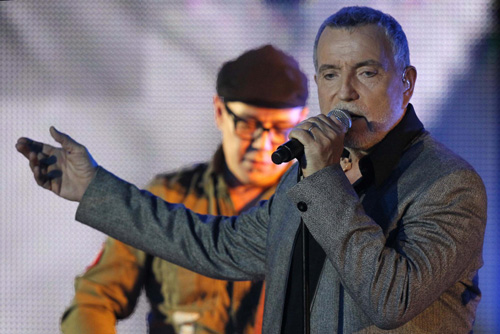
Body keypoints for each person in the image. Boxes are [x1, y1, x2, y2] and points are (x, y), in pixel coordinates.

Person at [17, 6, 487, 334]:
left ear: (405, 83)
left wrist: (323, 180)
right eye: (328, 74)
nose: (344, 93)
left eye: (366, 73)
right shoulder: (310, 176)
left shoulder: (449, 185)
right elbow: (217, 246)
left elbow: (390, 301)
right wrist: (93, 188)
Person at [58, 45, 309, 334]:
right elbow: (93, 298)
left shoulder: (315, 206)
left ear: (303, 119)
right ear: (219, 111)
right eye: (248, 125)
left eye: (281, 128)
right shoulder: (168, 195)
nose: (263, 145)